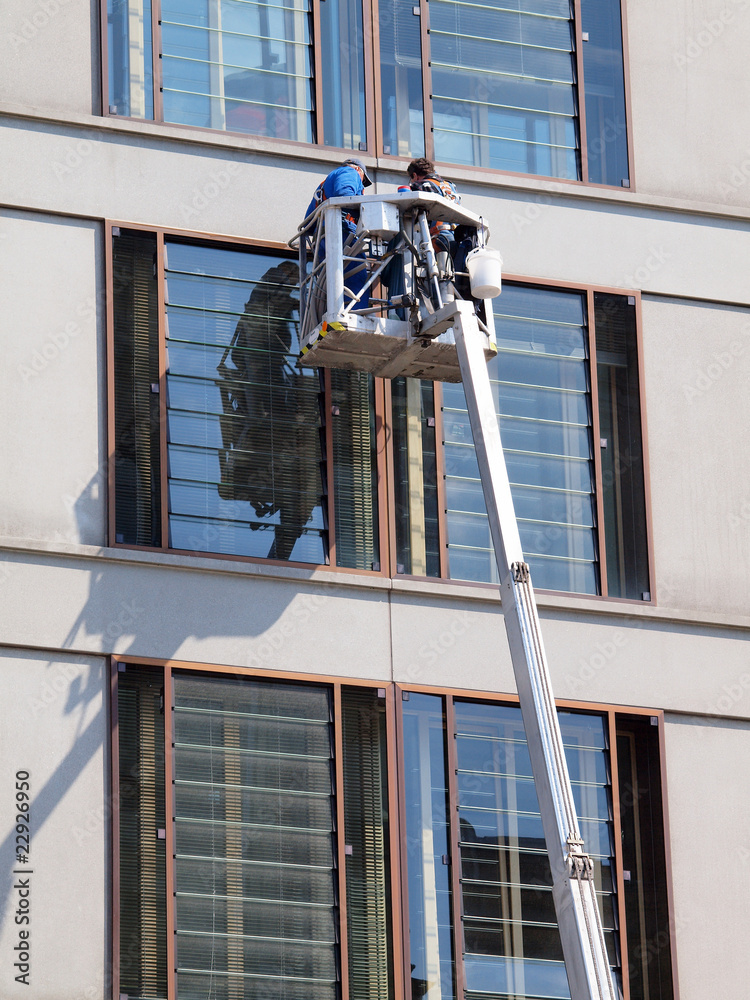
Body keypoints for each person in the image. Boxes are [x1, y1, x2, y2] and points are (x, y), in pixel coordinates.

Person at [305, 158, 373, 309]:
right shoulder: (349, 172)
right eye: (363, 181)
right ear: (358, 170)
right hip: (341, 233)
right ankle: (355, 315)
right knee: (356, 274)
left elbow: (308, 222)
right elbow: (345, 195)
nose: (362, 185)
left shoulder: (323, 186)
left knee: (330, 282)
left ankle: (331, 314)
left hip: (323, 238)